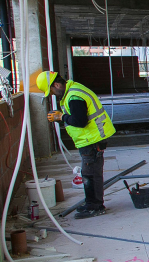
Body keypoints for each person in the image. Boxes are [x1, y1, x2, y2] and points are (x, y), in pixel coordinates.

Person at [37, 70, 114, 219]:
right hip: (91, 138)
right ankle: (92, 203)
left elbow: (80, 121)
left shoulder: (74, 97)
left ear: (57, 84)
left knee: (90, 175)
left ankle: (95, 206)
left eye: (52, 91)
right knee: (89, 173)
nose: (53, 94)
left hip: (91, 139)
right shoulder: (73, 89)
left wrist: (61, 117)